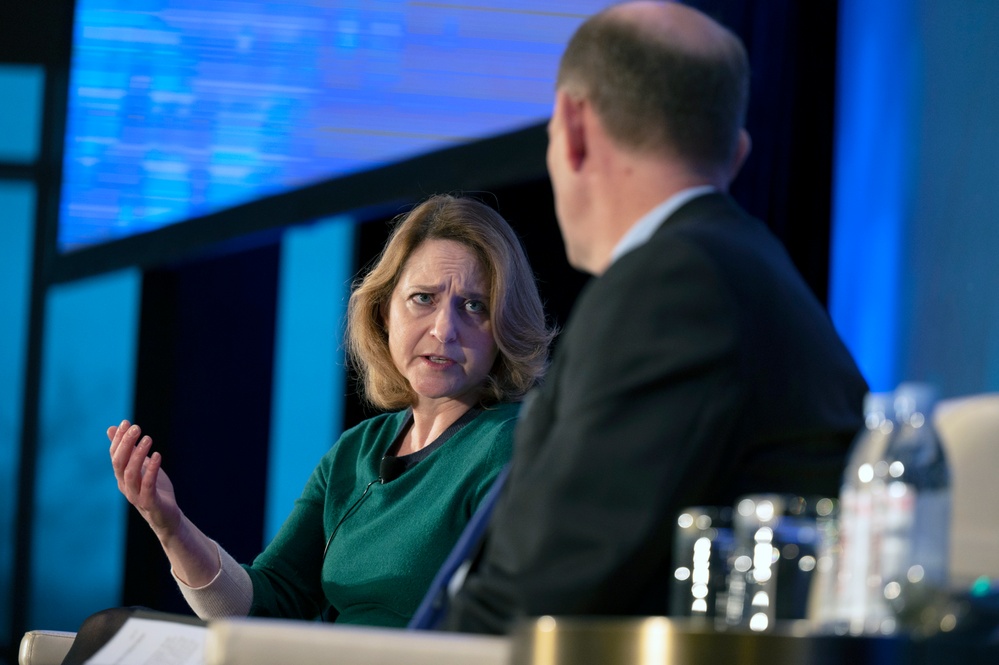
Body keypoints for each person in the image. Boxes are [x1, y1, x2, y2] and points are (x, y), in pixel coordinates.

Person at [442, 1, 869, 633]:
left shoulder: (674, 284)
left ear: (574, 126)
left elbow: (542, 590)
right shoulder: (737, 266)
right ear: (737, 154)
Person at [109, 194, 554, 627]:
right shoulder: (356, 451)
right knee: (107, 631)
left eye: (474, 306)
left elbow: (503, 622)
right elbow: (268, 605)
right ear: (384, 312)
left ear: (503, 328)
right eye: (424, 299)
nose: (444, 329)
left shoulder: (512, 443)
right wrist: (170, 527)